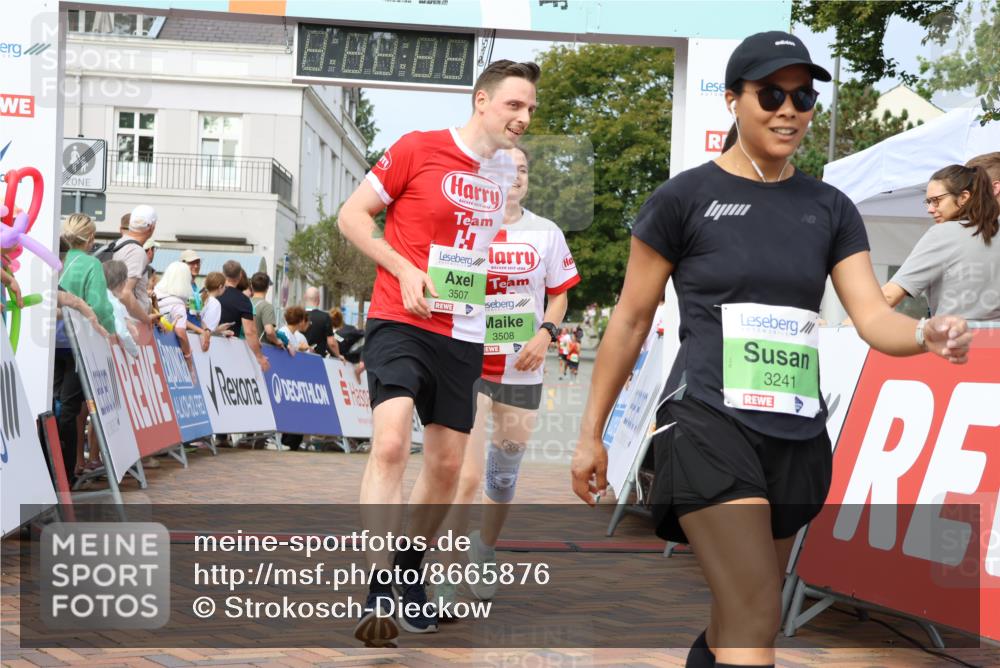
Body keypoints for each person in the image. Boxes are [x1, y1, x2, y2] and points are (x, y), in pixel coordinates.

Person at [570, 31, 973, 668]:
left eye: (804, 95)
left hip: (794, 434)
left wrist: (925, 333)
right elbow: (629, 320)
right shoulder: (683, 199)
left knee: (738, 614)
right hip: (706, 422)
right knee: (758, 610)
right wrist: (591, 431)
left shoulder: (829, 206)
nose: (790, 108)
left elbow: (872, 317)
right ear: (733, 100)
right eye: (772, 93)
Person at [338, 58, 538, 645]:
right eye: (513, 105)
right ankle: (378, 587)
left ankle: (409, 570)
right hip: (401, 317)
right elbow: (352, 216)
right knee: (393, 441)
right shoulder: (417, 147)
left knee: (448, 468)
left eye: (530, 109)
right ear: (482, 101)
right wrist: (403, 269)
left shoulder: (505, 172)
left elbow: (487, 247)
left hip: (464, 331)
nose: (523, 117)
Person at [439, 145, 578, 609]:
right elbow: (442, 282)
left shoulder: (546, 233)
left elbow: (559, 296)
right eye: (507, 168)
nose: (515, 176)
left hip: (523, 367)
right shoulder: (467, 226)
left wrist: (546, 333)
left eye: (522, 170)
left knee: (501, 476)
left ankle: (485, 548)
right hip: (470, 364)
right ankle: (446, 574)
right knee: (467, 473)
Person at [876, 164, 1000, 321]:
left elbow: (889, 295)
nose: (930, 209)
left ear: (963, 197)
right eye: (928, 202)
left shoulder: (943, 234)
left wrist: (841, 329)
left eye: (936, 201)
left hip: (955, 339)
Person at [54, 213, 116, 483]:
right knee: (70, 410)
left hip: (50, 342)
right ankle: (65, 474)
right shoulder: (91, 264)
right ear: (90, 237)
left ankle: (54, 468)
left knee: (56, 405)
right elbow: (99, 305)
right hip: (78, 343)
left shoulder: (58, 260)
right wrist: (111, 331)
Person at [217, 260, 269, 372]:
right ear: (240, 275)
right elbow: (249, 332)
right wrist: (260, 357)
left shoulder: (210, 293)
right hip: (229, 353)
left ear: (223, 274)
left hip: (205, 346)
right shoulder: (243, 301)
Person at [113, 204, 158, 322]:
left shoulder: (119, 244)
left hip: (118, 318)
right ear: (152, 227)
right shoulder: (137, 252)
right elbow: (125, 293)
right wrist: (146, 319)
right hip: (129, 323)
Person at [250, 271, 290, 355]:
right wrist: (277, 341)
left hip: (244, 348)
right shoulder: (266, 306)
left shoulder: (245, 303)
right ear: (267, 288)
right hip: (262, 350)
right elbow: (269, 331)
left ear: (251, 286)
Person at [302, 286, 341, 358]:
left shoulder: (298, 315)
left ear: (305, 297)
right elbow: (331, 342)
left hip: (298, 356)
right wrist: (338, 355)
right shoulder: (324, 317)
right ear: (318, 299)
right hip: (317, 359)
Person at [179, 249, 204, 327]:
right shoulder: (180, 284)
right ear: (183, 264)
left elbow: (196, 314)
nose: (196, 266)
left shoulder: (194, 286)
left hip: (195, 333)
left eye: (197, 263)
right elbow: (177, 316)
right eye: (191, 263)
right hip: (185, 332)